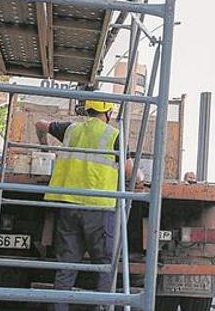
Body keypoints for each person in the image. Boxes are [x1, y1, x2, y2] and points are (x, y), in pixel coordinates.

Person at [35, 100, 130, 311]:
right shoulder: (115, 136)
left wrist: (44, 148)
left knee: (66, 264)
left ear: (87, 109)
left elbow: (40, 124)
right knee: (105, 265)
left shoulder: (71, 129)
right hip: (99, 208)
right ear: (109, 111)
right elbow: (129, 171)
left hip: (68, 205)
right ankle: (104, 308)